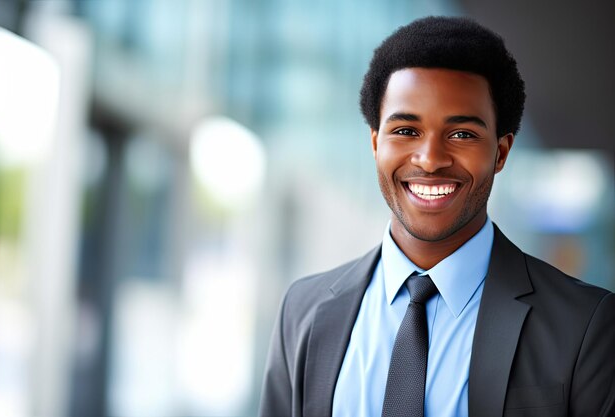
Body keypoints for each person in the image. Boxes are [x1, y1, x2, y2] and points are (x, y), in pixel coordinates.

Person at [259, 16, 615, 417]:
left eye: (461, 134)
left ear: (500, 152)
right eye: (406, 131)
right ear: (376, 144)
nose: (430, 160)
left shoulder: (585, 325)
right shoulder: (303, 310)